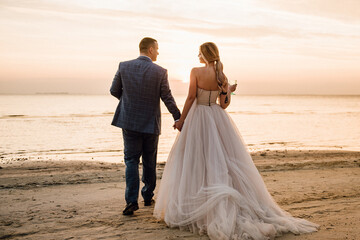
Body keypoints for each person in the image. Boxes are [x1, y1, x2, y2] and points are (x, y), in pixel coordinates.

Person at [154, 42, 319, 239]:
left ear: (204, 54)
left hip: (199, 118)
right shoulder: (221, 75)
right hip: (216, 117)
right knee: (221, 159)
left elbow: (190, 97)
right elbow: (223, 105)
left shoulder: (195, 71)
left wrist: (182, 120)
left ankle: (196, 205)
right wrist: (228, 90)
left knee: (195, 159)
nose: (197, 54)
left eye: (199, 52)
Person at [110, 37, 181, 216]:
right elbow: (167, 98)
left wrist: (128, 101)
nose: (158, 52)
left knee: (131, 161)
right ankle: (148, 195)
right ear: (150, 50)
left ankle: (131, 201)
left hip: (129, 121)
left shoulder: (124, 66)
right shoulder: (160, 71)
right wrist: (179, 117)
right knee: (149, 161)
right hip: (150, 123)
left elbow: (113, 90)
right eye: (157, 49)